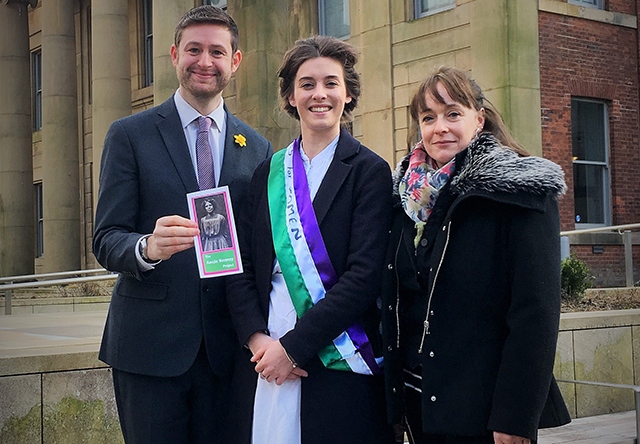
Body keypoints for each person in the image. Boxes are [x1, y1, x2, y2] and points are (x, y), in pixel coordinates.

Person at [93, 5, 272, 444]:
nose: (204, 62)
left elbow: (260, 250)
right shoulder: (129, 135)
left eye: (216, 51)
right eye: (194, 50)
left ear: (236, 60)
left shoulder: (258, 147)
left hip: (227, 354)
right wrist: (147, 248)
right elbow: (106, 238)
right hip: (149, 352)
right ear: (174, 54)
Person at [380, 66, 572, 444]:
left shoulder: (521, 193)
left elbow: (536, 314)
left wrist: (515, 418)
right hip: (418, 404)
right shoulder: (403, 198)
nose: (441, 127)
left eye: (453, 113)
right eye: (429, 117)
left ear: (479, 119)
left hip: (483, 412)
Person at [226, 35, 395, 444]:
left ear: (348, 93)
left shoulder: (369, 171)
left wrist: (293, 349)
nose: (320, 94)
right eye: (307, 84)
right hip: (264, 359)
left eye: (331, 83)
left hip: (335, 359)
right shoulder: (267, 173)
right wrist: (258, 341)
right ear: (289, 96)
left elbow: (363, 276)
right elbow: (242, 267)